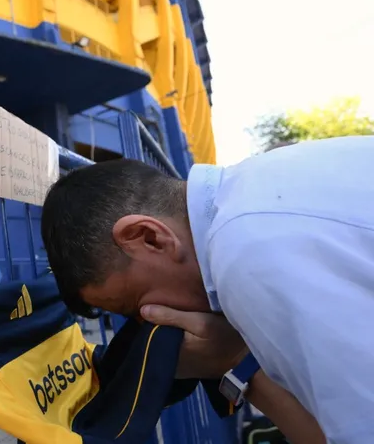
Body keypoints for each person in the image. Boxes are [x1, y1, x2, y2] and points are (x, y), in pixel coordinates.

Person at [41, 136, 374, 443]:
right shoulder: (260, 186)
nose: (148, 320)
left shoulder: (245, 254)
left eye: (136, 304)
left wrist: (234, 362)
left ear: (149, 237)